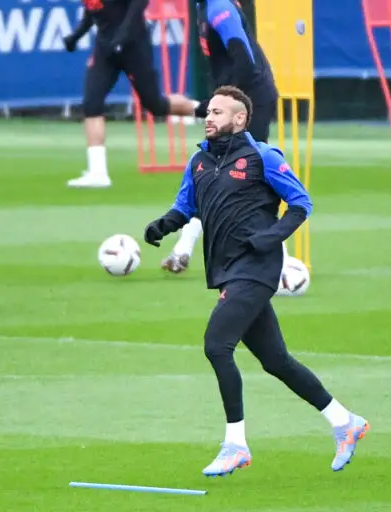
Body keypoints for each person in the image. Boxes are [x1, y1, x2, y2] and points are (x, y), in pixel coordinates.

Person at [143, 86, 369, 477]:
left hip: (257, 268)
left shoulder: (262, 156)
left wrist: (270, 238)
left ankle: (236, 444)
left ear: (240, 118)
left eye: (217, 112)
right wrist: (162, 225)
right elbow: (185, 206)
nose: (209, 117)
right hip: (226, 270)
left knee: (217, 345)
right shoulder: (198, 161)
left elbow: (301, 203)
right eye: (208, 111)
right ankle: (344, 421)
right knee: (276, 360)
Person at [160, 0, 286, 275]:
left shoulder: (219, 7)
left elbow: (245, 62)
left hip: (250, 103)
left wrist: (218, 105)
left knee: (248, 181)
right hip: (236, 102)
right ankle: (183, 248)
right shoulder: (204, 8)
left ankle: (281, 262)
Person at [62, 0, 199, 188]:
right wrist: (76, 36)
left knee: (155, 105)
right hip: (105, 47)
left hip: (134, 45)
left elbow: (139, 4)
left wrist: (122, 36)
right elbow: (93, 10)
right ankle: (98, 172)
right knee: (91, 104)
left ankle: (206, 110)